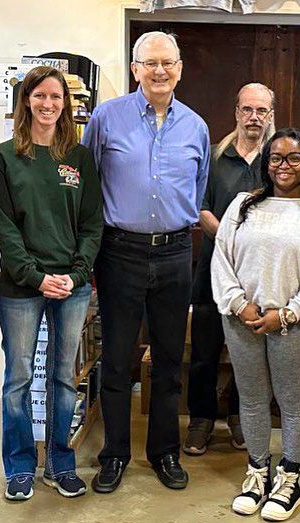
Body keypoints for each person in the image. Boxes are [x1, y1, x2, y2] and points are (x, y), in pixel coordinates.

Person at [82, 31, 210, 492]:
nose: (159, 71)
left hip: (176, 251)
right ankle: (114, 454)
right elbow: (88, 184)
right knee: (117, 360)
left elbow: (196, 192)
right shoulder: (105, 118)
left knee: (171, 359)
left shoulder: (195, 126)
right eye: (150, 63)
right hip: (120, 252)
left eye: (168, 63)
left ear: (180, 68)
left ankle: (164, 453)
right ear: (135, 68)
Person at [212, 128, 300, 521]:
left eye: (294, 158)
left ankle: (289, 478)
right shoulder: (242, 206)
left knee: (292, 403)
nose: (283, 166)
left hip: (297, 325)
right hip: (243, 320)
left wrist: (288, 313)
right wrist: (239, 304)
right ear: (265, 163)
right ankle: (257, 472)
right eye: (275, 158)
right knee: (251, 400)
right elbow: (221, 259)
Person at [0, 66, 103, 502]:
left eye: (56, 97)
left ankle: (59, 464)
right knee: (17, 379)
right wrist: (37, 277)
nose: (48, 104)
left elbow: (93, 224)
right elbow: (5, 231)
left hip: (71, 287)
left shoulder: (80, 158)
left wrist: (73, 276)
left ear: (66, 106)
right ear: (26, 102)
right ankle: (19, 468)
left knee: (63, 378)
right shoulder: (3, 157)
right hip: (20, 287)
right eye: (39, 96)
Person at [183, 82, 275, 456]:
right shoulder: (214, 156)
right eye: (247, 109)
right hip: (211, 272)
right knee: (204, 351)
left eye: (262, 111)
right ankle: (201, 420)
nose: (254, 117)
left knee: (249, 352)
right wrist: (230, 239)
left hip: (259, 278)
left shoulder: (277, 160)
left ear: (271, 116)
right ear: (236, 112)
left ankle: (239, 416)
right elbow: (200, 209)